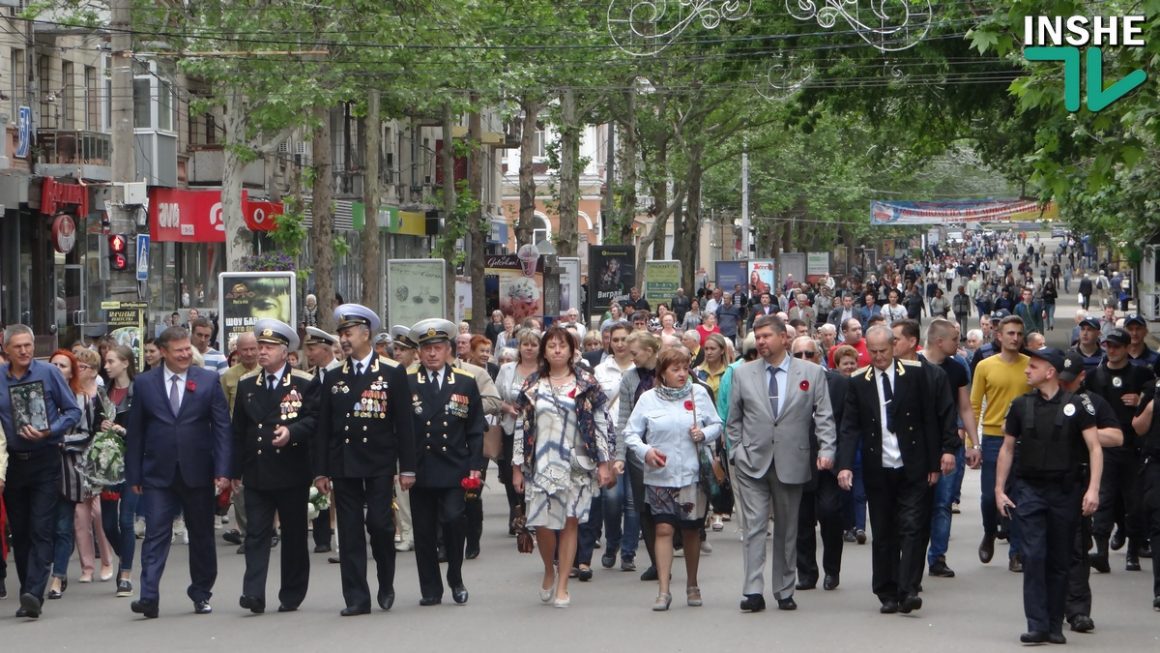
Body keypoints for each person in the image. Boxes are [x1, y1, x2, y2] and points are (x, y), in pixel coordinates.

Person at [837, 326, 956, 615]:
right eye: (873, 352)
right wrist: (844, 465)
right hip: (879, 466)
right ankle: (887, 591)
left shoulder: (915, 374)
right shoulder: (858, 382)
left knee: (914, 528)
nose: (878, 357)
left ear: (894, 346)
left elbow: (930, 417)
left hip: (913, 463)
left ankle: (909, 589)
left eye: (883, 351)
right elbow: (850, 426)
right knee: (884, 531)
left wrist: (937, 459)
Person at [726, 315, 836, 613]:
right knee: (754, 527)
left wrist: (827, 448)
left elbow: (824, 415)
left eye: (766, 336)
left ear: (784, 339)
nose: (760, 341)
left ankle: (785, 589)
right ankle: (752, 590)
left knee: (788, 529)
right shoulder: (742, 374)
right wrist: (735, 450)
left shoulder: (812, 373)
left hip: (792, 459)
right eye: (757, 336)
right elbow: (733, 418)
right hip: (752, 461)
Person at [994, 347, 1103, 645]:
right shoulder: (1019, 405)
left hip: (1065, 490)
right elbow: (1007, 449)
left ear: (1050, 372)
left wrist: (1093, 489)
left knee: (1059, 557)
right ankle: (1037, 623)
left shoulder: (1077, 405)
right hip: (1029, 489)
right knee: (1033, 555)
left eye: (1034, 366)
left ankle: (1055, 624)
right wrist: (999, 490)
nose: (1028, 370)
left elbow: (1095, 448)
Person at [313, 304, 416, 616]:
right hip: (344, 463)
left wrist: (407, 467)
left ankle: (386, 580)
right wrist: (320, 470)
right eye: (341, 334)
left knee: (380, 525)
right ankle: (356, 597)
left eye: (348, 333)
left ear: (366, 334)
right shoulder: (333, 377)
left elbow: (404, 423)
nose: (343, 339)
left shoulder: (391, 372)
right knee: (350, 530)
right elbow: (323, 428)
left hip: (379, 462)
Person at [124, 326, 233, 619]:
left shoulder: (208, 380)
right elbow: (135, 433)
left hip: (198, 471)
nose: (185, 354)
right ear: (162, 352)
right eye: (179, 350)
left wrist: (223, 469)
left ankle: (201, 593)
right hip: (157, 473)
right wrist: (133, 474)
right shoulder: (145, 384)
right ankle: (148, 597)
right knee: (155, 535)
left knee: (201, 536)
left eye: (188, 349)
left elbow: (222, 428)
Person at [512, 326, 614, 608]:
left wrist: (604, 462)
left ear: (572, 350)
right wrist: (517, 467)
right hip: (541, 461)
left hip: (575, 461)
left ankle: (564, 584)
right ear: (544, 350)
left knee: (570, 520)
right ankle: (549, 569)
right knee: (543, 524)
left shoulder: (586, 383)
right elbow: (522, 426)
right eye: (552, 345)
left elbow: (601, 424)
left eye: (562, 345)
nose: (557, 350)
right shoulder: (532, 384)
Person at [231, 319, 319, 614]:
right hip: (257, 470)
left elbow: (314, 420)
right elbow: (238, 431)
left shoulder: (303, 382)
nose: (262, 351)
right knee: (256, 533)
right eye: (261, 346)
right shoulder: (247, 385)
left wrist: (292, 432)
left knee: (294, 535)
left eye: (269, 347)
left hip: (291, 470)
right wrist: (233, 472)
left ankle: (292, 593)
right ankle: (253, 593)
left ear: (285, 352)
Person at [623, 347, 721, 610]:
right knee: (663, 528)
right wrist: (646, 452)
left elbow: (717, 424)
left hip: (692, 475)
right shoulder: (648, 399)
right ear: (662, 373)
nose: (681, 373)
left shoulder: (698, 393)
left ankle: (692, 583)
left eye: (685, 367)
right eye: (674, 369)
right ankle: (664, 590)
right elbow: (631, 433)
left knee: (690, 530)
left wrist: (704, 434)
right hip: (660, 476)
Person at [1, 325, 83, 619]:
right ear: (6, 349)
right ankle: (28, 592)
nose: (24, 351)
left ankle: (35, 592)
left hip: (45, 458)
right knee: (20, 532)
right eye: (18, 346)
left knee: (40, 527)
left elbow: (73, 411)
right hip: (13, 464)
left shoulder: (48, 374)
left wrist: (51, 431)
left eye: (28, 345)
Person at [406, 319, 486, 607]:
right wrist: (402, 467)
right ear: (419, 352)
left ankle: (456, 576)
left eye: (437, 347)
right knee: (424, 530)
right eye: (426, 348)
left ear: (448, 349)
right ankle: (430, 587)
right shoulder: (408, 381)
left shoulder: (464, 382)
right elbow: (400, 429)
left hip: (454, 466)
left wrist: (475, 465)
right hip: (421, 468)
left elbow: (475, 428)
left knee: (454, 521)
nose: (432, 354)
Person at [1055, 349, 1123, 632]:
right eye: (1061, 379)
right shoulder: (1038, 401)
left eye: (1070, 381)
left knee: (1077, 551)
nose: (1064, 385)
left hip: (1076, 482)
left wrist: (1083, 431)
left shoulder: (1092, 403)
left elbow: (1117, 436)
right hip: (1042, 482)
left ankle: (1078, 610)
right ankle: (1048, 609)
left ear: (1082, 377)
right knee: (1043, 551)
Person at [1083, 327, 1154, 573]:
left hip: (1134, 447)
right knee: (1104, 499)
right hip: (1105, 446)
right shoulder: (1094, 377)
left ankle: (1133, 551)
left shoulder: (1140, 374)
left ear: (1126, 348)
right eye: (1108, 346)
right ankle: (1101, 551)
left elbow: (1151, 399)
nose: (1111, 350)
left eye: (1116, 346)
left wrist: (1140, 400)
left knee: (1135, 503)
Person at [970, 315, 1031, 572]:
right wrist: (971, 443)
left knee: (1018, 497)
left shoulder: (1030, 365)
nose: (1015, 338)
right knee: (988, 497)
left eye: (1018, 334)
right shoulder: (985, 366)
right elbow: (973, 405)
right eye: (1010, 333)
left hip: (1023, 439)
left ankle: (1016, 552)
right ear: (999, 336)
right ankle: (989, 532)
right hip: (994, 437)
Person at [792, 335, 848, 592]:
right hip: (798, 460)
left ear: (819, 356)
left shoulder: (838, 383)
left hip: (829, 463)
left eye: (809, 354)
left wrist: (843, 462)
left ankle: (832, 570)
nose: (804, 359)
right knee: (801, 521)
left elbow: (847, 425)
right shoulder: (787, 384)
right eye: (799, 355)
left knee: (829, 514)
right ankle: (806, 572)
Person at [588, 322, 638, 572]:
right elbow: (594, 404)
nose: (619, 344)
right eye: (615, 339)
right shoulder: (600, 370)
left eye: (624, 339)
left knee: (632, 500)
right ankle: (612, 543)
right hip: (607, 441)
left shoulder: (642, 369)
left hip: (637, 441)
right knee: (612, 497)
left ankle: (628, 552)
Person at [99, 345, 139, 597]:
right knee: (108, 524)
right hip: (108, 463)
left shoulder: (139, 390)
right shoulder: (103, 392)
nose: (106, 366)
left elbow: (148, 425)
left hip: (132, 462)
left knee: (126, 520)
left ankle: (125, 574)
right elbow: (94, 423)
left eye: (111, 361)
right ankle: (125, 554)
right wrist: (101, 425)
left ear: (125, 363)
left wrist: (125, 431)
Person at [218, 331, 259, 552]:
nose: (250, 353)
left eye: (254, 348)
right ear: (237, 351)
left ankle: (266, 530)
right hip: (239, 439)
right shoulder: (228, 377)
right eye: (245, 349)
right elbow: (223, 411)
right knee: (240, 490)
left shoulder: (266, 371)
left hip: (263, 438)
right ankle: (247, 534)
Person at [496, 328, 540, 537]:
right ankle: (516, 511)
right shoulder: (507, 369)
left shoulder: (544, 370)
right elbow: (494, 397)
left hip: (537, 430)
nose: (529, 348)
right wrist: (507, 408)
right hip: (511, 428)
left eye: (533, 344)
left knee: (532, 471)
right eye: (525, 344)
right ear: (519, 347)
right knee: (510, 472)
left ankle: (531, 514)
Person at [302, 327, 341, 554]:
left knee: (343, 492)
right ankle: (322, 537)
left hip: (340, 441)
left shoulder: (343, 373)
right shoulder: (310, 378)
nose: (309, 353)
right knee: (319, 487)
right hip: (316, 442)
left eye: (312, 348)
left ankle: (344, 537)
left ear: (325, 348)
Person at [1132, 367, 1160, 612]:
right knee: (1158, 525)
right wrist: (1152, 406)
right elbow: (1138, 427)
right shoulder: (1152, 392)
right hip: (1156, 464)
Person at [695, 334, 729, 398]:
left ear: (722, 350)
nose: (709, 352)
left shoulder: (729, 372)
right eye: (706, 349)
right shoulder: (697, 372)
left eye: (712, 349)